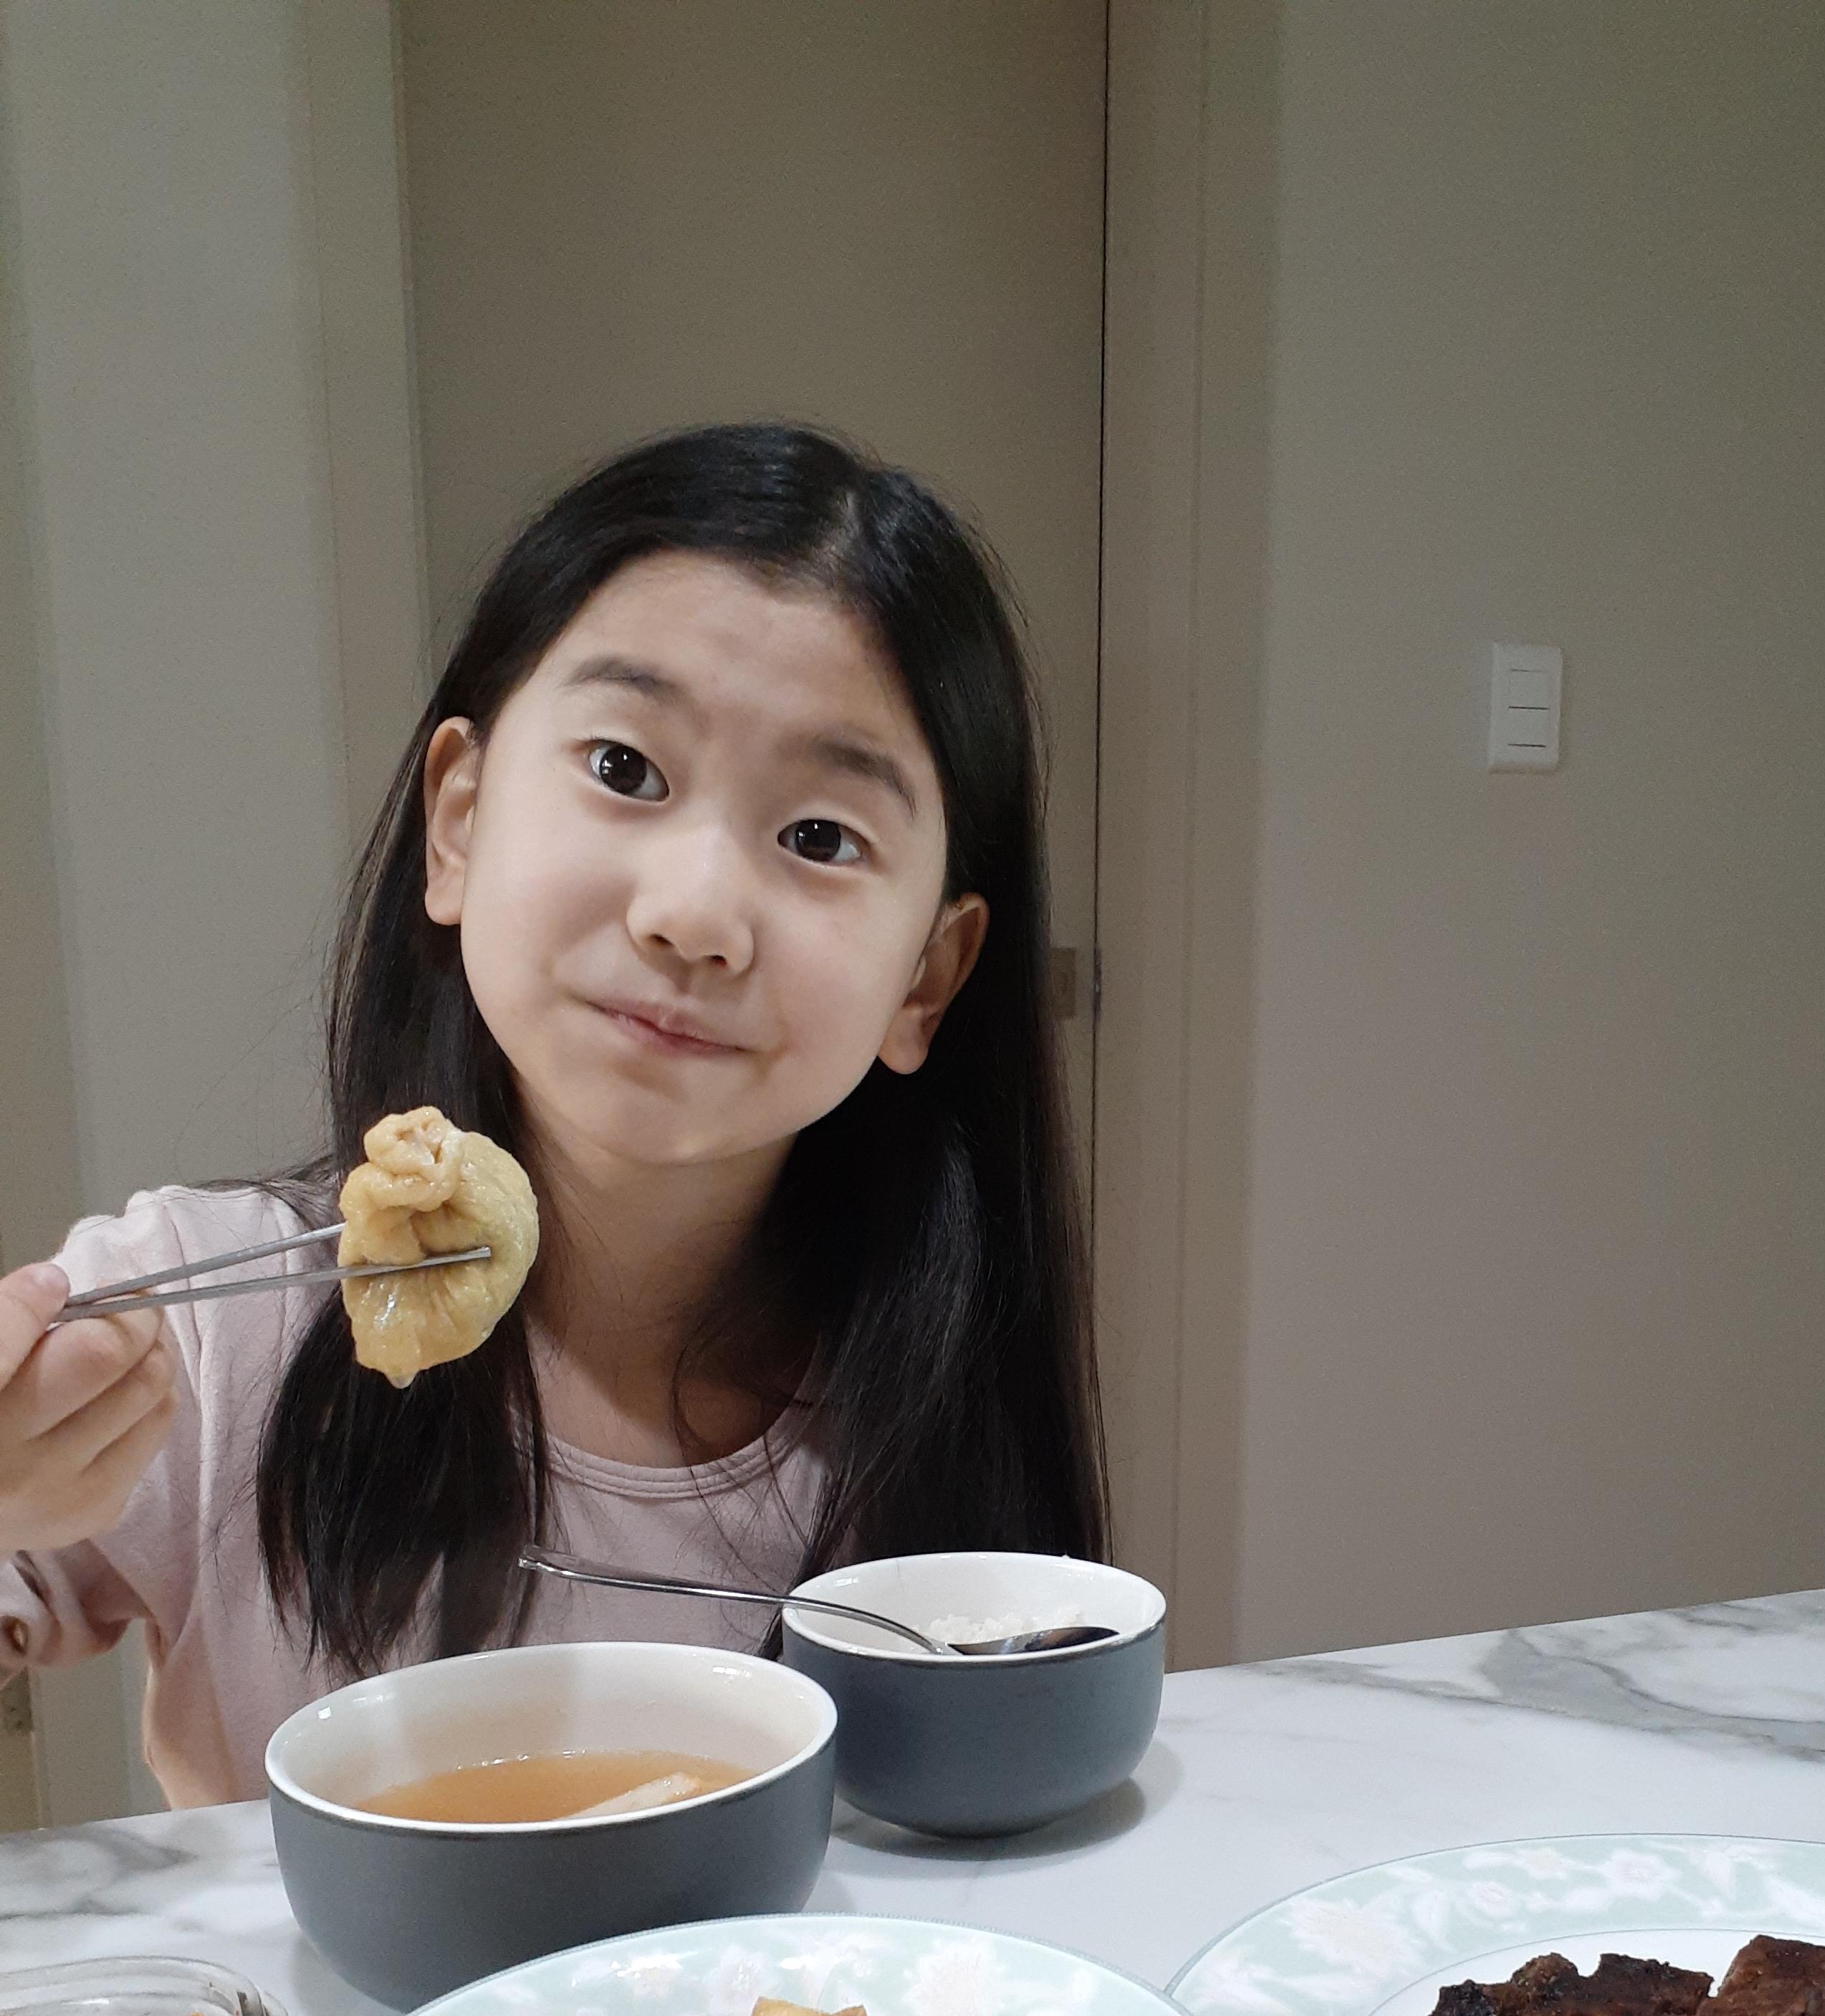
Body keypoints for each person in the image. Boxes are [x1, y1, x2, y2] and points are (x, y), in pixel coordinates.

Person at [0, 423, 1106, 1807]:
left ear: (927, 978)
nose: (694, 914)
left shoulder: (930, 1424)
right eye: (625, 769)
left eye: (821, 837)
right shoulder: (196, 1337)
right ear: (458, 822)